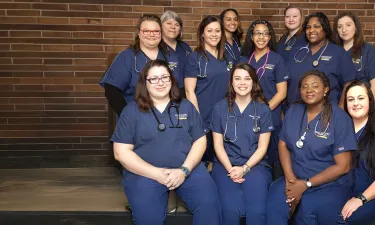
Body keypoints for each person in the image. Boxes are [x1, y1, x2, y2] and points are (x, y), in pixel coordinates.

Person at [111, 59, 221, 225]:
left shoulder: (186, 107)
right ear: (144, 83)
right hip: (145, 174)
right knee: (149, 219)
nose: (160, 82)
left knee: (210, 207)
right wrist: (156, 173)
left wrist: (183, 170)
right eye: (153, 79)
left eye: (165, 77)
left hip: (187, 169)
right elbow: (121, 152)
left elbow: (200, 140)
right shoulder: (131, 111)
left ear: (172, 80)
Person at [266, 70, 357, 225]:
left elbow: (344, 166)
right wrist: (291, 180)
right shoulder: (293, 111)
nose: (309, 90)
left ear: (326, 89)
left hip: (329, 185)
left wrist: (306, 184)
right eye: (304, 86)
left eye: (315, 86)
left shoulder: (339, 118)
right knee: (274, 202)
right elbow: (282, 145)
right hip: (294, 178)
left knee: (308, 211)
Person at [210, 63, 273, 225]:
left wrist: (244, 168)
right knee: (230, 210)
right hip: (225, 164)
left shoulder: (263, 110)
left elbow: (262, 148)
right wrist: (231, 169)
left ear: (254, 83)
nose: (242, 83)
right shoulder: (219, 108)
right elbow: (218, 145)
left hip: (255, 165)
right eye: (237, 78)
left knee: (256, 211)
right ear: (231, 82)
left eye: (247, 78)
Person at [99, 14, 182, 117]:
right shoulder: (127, 57)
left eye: (156, 31)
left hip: (168, 116)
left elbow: (179, 88)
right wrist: (128, 116)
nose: (151, 34)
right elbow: (112, 91)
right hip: (137, 116)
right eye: (146, 31)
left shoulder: (171, 56)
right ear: (139, 33)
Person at [241, 20, 289, 179]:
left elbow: (281, 93)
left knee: (273, 157)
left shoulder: (277, 60)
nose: (261, 37)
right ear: (252, 37)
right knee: (250, 154)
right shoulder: (244, 60)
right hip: (246, 117)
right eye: (257, 33)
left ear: (269, 37)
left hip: (270, 116)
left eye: (265, 33)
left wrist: (263, 112)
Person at [185, 15, 233, 162]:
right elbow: (189, 91)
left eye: (217, 31)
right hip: (203, 115)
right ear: (202, 33)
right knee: (203, 158)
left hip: (225, 115)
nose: (214, 34)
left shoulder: (227, 57)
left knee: (222, 157)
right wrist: (197, 118)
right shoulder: (194, 57)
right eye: (210, 30)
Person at [286, 12, 356, 110]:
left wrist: (341, 107)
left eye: (316, 26)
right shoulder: (296, 51)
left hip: (327, 111)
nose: (311, 30)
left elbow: (349, 81)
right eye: (308, 27)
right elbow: (284, 81)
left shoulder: (338, 52)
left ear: (325, 29)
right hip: (294, 110)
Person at [340, 81, 375, 225]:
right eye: (350, 99)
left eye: (361, 98)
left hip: (368, 196)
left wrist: (361, 199)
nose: (355, 103)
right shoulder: (339, 130)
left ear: (370, 100)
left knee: (345, 220)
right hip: (340, 193)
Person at [333, 12, 375, 96]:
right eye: (339, 27)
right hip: (335, 103)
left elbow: (374, 84)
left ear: (355, 27)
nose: (344, 30)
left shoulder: (368, 49)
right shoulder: (333, 50)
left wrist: (370, 106)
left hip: (360, 101)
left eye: (348, 25)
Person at [161, 10, 192, 96]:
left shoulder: (185, 47)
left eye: (177, 24)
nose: (173, 27)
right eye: (169, 23)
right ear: (160, 26)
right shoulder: (156, 47)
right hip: (164, 92)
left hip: (185, 92)